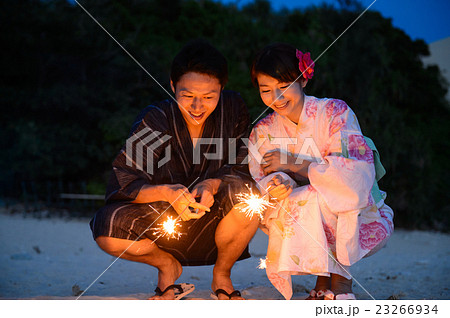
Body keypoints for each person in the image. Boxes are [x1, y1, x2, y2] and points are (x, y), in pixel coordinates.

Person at [90, 40, 259, 300]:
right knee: (106, 227)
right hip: (162, 222)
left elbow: (242, 165)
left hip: (218, 221)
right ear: (172, 85)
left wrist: (211, 185)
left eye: (208, 97)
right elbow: (123, 180)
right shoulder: (156, 118)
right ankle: (167, 266)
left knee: (251, 196)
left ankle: (222, 274)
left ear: (222, 89)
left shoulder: (233, 108)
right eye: (188, 95)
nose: (197, 106)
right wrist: (166, 192)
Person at [248, 43, 394, 300]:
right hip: (296, 208)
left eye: (284, 87)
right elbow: (262, 176)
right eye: (266, 90)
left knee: (331, 191)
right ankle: (322, 276)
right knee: (304, 197)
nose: (276, 98)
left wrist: (294, 162)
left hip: (358, 210)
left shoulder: (335, 112)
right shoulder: (264, 130)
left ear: (303, 80)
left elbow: (353, 175)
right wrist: (279, 182)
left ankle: (340, 280)